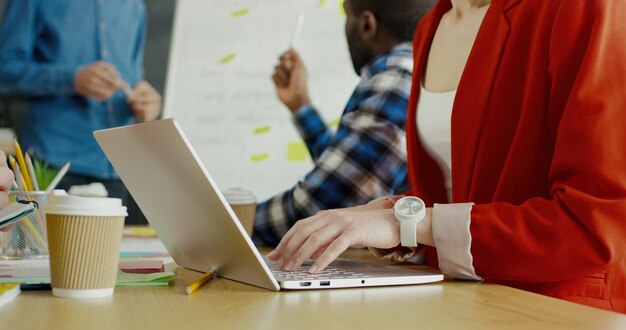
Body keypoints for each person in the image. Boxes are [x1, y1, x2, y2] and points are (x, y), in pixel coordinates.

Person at [268, 0, 626, 313]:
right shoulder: (432, 24)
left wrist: (403, 222)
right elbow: (464, 197)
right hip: (460, 302)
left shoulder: (581, 6)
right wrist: (393, 210)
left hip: (558, 308)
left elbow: (596, 224)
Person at [253, 0, 436, 245]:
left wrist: (233, 222)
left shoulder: (395, 78)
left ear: (367, 25)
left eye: (346, 15)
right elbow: (348, 176)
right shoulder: (411, 70)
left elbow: (322, 206)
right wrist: (301, 105)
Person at [0, 0, 161, 223]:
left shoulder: (134, 6)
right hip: (52, 166)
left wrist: (146, 102)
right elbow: (5, 70)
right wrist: (71, 79)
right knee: (42, 256)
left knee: (114, 257)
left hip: (117, 167)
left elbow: (132, 76)